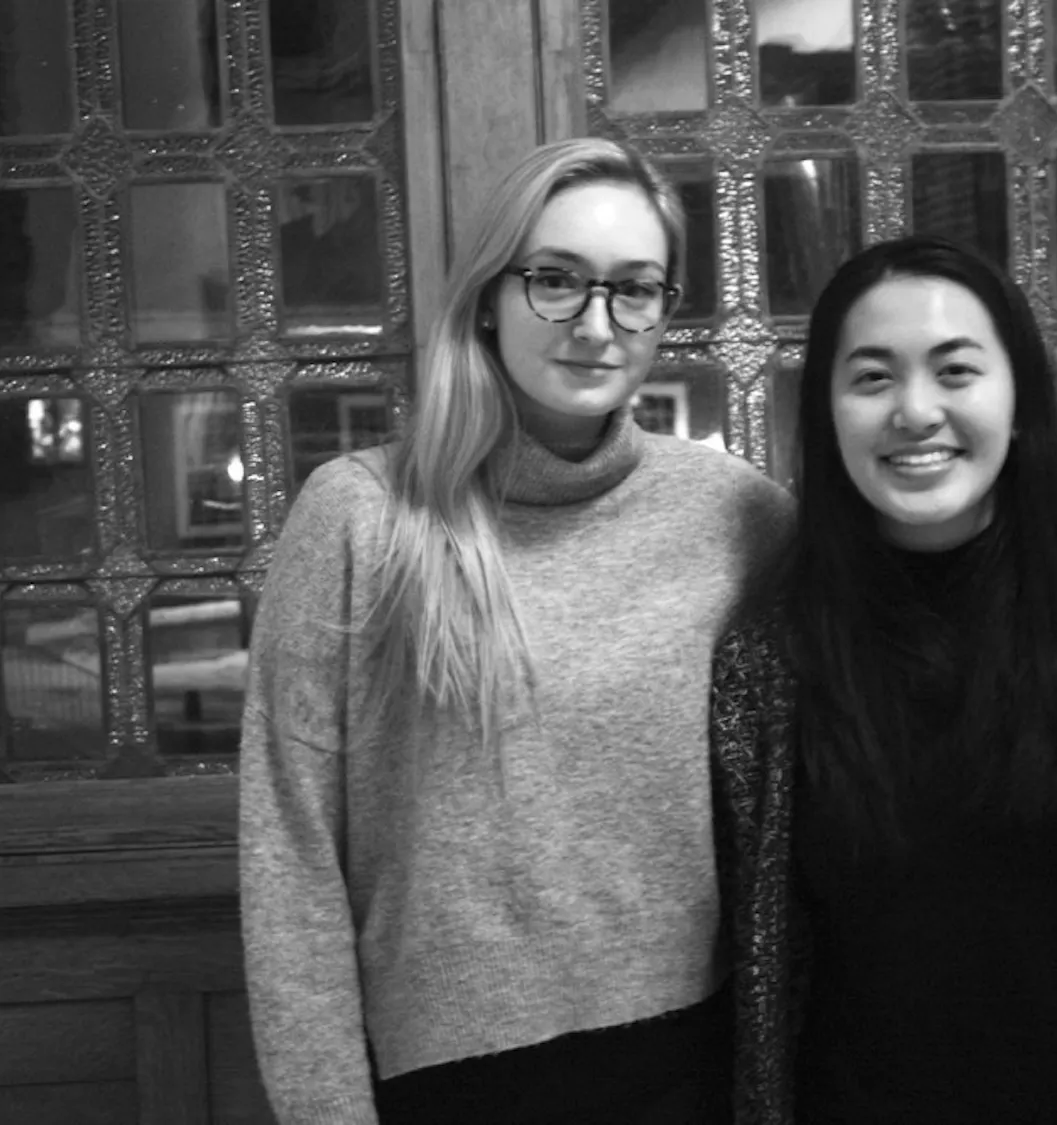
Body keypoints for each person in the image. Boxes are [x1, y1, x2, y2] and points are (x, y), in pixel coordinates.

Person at [238, 137, 792, 1125]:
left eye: (635, 288)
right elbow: (292, 859)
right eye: (557, 280)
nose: (596, 324)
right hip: (451, 1082)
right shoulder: (362, 516)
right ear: (490, 296)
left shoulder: (733, 514)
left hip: (690, 1065)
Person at [712, 235, 1057, 1124]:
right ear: (827, 415)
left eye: (956, 371)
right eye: (872, 378)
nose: (915, 410)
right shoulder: (767, 662)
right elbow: (740, 973)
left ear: (1019, 402)